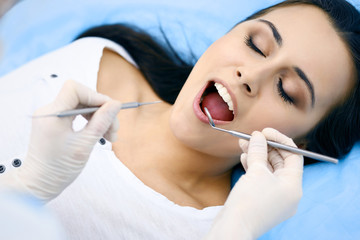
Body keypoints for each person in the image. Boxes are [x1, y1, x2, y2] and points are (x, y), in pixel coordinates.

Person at [0, 0, 359, 239]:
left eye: (286, 90)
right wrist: (24, 185)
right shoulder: (100, 55)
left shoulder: (212, 229)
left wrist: (239, 227)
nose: (251, 75)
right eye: (256, 44)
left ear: (297, 145)